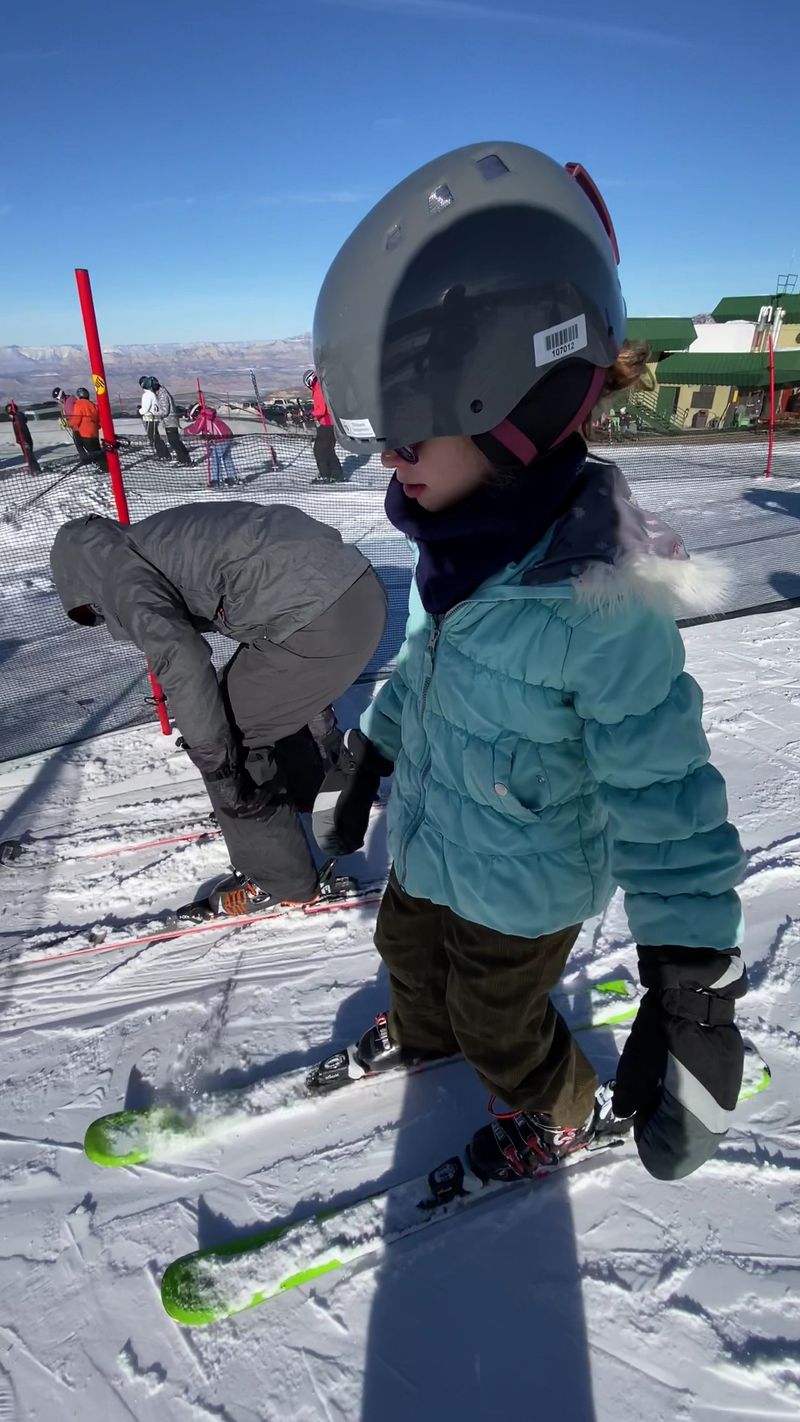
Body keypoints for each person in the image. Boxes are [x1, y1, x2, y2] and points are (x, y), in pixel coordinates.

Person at [310, 142, 747, 1185]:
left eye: (408, 435)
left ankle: (558, 1109)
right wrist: (371, 751)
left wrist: (690, 980)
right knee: (407, 956)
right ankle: (424, 1040)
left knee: (494, 1014)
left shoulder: (599, 605)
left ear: (514, 411)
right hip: (432, 837)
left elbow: (665, 791)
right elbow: (423, 665)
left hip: (524, 880)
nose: (388, 460)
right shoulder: (462, 545)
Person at [49, 502, 387, 915]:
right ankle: (311, 789)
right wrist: (320, 725)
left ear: (81, 579)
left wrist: (219, 766)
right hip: (358, 590)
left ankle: (280, 879)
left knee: (228, 733)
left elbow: (184, 661)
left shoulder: (120, 576)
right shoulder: (153, 539)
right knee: (247, 696)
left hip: (317, 622)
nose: (99, 617)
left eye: (89, 611)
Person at [303, 368, 344, 483]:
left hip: (326, 423)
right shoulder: (325, 386)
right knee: (329, 449)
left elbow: (321, 410)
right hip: (333, 423)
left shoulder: (318, 389)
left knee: (319, 450)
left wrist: (311, 414)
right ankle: (337, 474)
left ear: (309, 381)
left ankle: (325, 475)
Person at [184, 403, 238, 486]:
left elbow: (196, 429)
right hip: (227, 436)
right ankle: (232, 477)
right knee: (226, 458)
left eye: (194, 416)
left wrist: (185, 431)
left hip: (219, 438)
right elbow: (206, 427)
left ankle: (216, 480)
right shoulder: (208, 414)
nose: (195, 418)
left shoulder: (203, 416)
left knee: (215, 459)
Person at [151, 376, 192, 466]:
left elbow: (165, 411)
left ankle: (185, 460)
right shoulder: (161, 393)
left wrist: (154, 413)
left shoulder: (162, 394)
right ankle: (184, 458)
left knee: (174, 441)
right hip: (169, 421)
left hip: (170, 421)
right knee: (173, 440)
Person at [69, 388, 105, 465]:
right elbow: (99, 421)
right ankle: (104, 465)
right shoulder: (94, 405)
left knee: (76, 437)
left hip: (84, 433)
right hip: (94, 433)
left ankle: (85, 458)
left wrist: (70, 424)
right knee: (96, 450)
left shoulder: (78, 405)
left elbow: (76, 419)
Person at [138, 376, 170, 461]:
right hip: (153, 418)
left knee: (154, 437)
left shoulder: (147, 395)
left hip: (150, 418)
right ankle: (163, 454)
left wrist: (139, 411)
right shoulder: (151, 394)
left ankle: (163, 454)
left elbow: (145, 409)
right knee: (155, 436)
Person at [5, 401, 43, 473]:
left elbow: (23, 430)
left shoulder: (17, 418)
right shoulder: (15, 419)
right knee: (27, 455)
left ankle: (35, 469)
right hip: (22, 440)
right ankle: (33, 468)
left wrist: (25, 441)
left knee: (29, 456)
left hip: (25, 440)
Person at [53, 386, 83, 459]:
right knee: (78, 444)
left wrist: (67, 423)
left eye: (58, 398)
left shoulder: (70, 401)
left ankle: (86, 458)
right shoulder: (65, 402)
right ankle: (85, 458)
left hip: (79, 427)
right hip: (75, 427)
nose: (58, 400)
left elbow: (74, 416)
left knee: (80, 444)